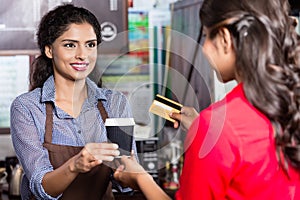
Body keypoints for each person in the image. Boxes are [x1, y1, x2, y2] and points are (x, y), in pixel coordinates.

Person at [113, 0, 300, 199]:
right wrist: (200, 126)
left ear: (226, 39)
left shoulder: (218, 126)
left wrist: (141, 178)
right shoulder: (289, 103)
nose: (203, 48)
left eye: (206, 36)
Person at [10, 4, 137, 200]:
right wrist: (75, 165)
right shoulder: (28, 108)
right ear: (49, 50)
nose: (83, 55)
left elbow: (125, 184)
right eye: (70, 45)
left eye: (90, 44)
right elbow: (40, 186)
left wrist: (131, 172)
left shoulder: (115, 103)